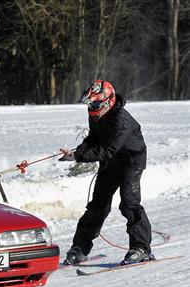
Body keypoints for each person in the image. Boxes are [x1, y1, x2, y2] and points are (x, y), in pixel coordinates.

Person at [60, 79, 152, 265]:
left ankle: (141, 247)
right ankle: (80, 247)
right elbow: (93, 139)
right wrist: (77, 151)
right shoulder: (96, 115)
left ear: (107, 101)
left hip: (131, 161)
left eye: (95, 104)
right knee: (98, 205)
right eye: (90, 104)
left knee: (129, 203)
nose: (92, 108)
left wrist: (79, 156)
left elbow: (107, 149)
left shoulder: (122, 120)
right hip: (111, 161)